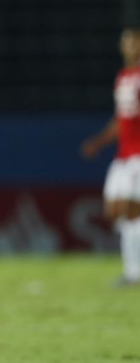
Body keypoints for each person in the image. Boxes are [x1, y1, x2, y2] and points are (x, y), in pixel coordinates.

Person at [81, 27, 140, 287]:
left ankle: (133, 272)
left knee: (131, 213)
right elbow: (120, 119)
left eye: (133, 41)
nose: (128, 45)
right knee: (114, 211)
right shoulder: (123, 77)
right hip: (122, 155)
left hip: (139, 155)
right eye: (125, 41)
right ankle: (132, 270)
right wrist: (99, 141)